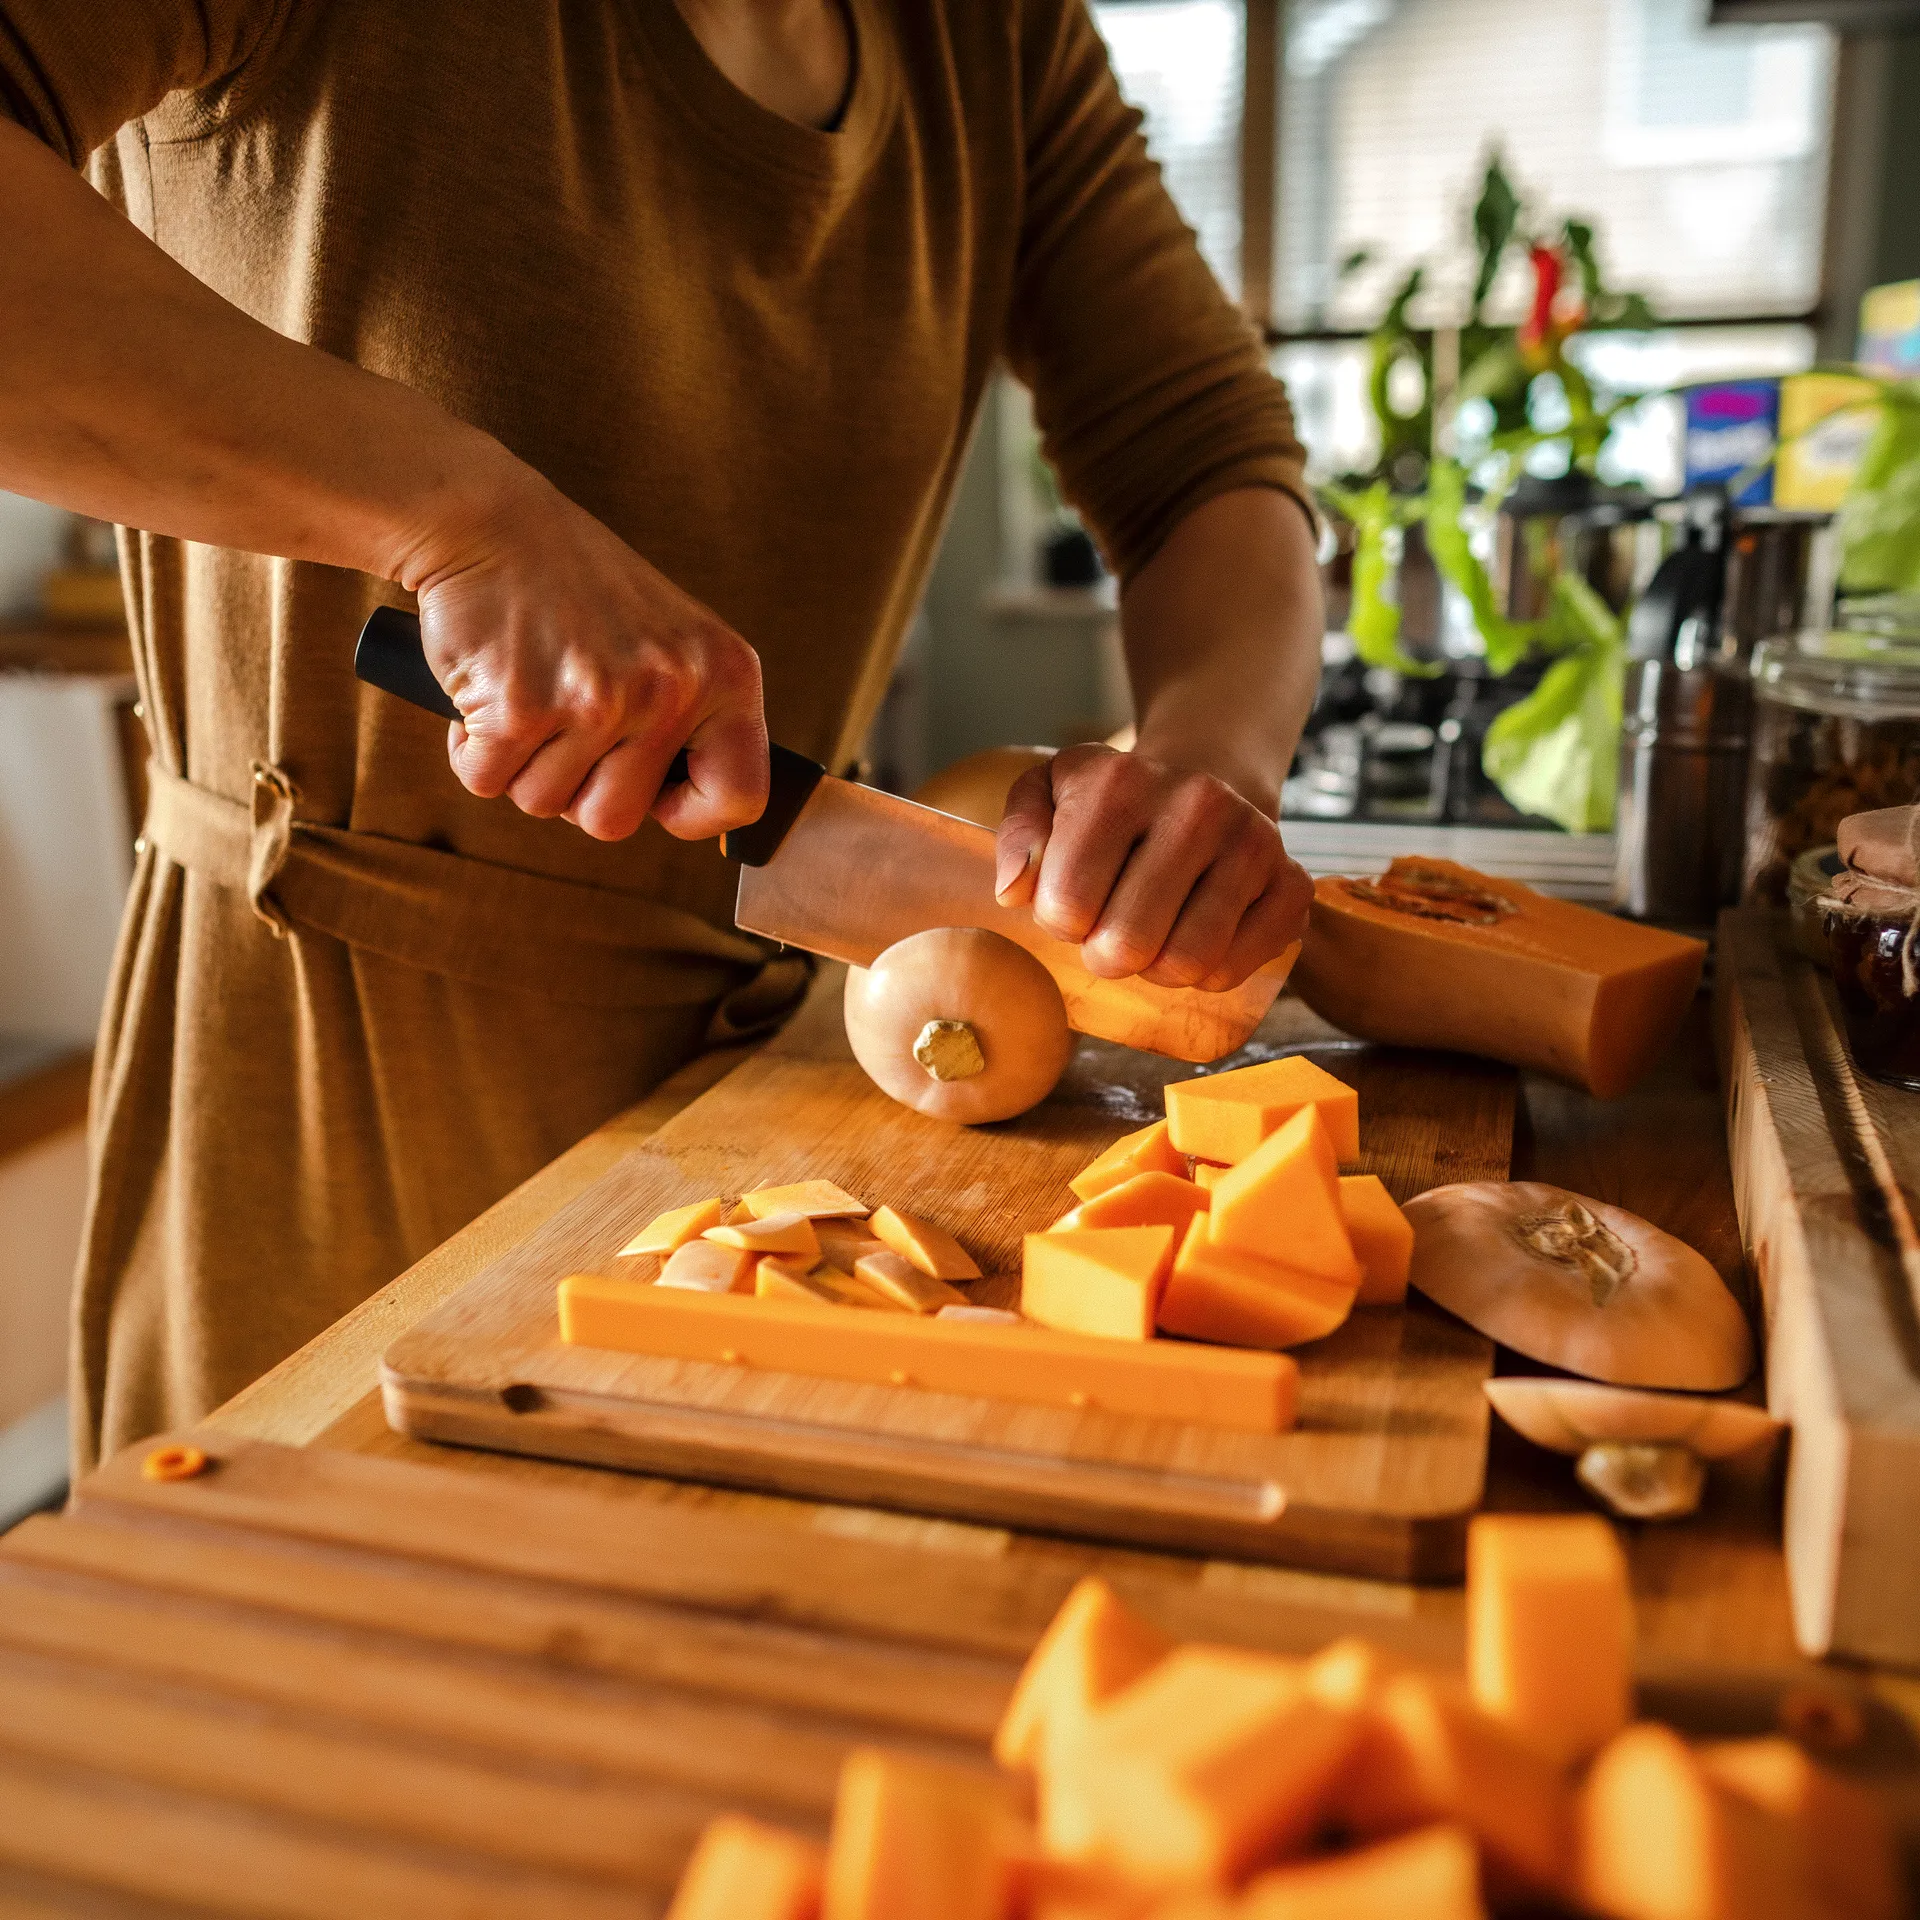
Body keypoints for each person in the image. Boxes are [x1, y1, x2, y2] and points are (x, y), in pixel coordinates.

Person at [0, 0, 1324, 1469]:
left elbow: (1204, 453)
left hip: (765, 1113)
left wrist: (1207, 771)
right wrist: (454, 518)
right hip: (329, 1107)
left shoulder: (996, 35)